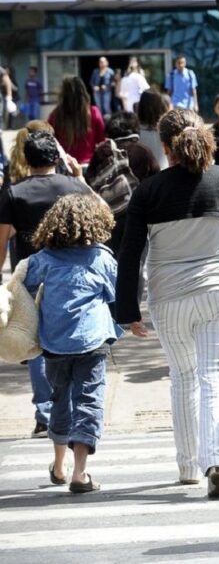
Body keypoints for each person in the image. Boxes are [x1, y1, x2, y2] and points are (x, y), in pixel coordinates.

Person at [116, 109, 219, 497]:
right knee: (215, 375)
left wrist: (127, 309)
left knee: (184, 377)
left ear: (164, 146)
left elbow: (130, 253)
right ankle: (218, 461)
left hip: (169, 299)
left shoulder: (149, 191)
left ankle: (189, 466)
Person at [27, 193, 120, 493]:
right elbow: (113, 294)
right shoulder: (102, 257)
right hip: (92, 341)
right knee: (89, 401)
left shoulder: (42, 259)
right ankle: (81, 472)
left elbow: (24, 290)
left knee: (59, 398)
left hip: (53, 343)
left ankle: (58, 465)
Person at [0, 132, 91, 440]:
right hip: (70, 271)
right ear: (56, 159)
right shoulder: (73, 187)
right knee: (69, 338)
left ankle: (45, 412)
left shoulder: (13, 192)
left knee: (33, 341)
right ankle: (73, 410)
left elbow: (1, 242)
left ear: (26, 160)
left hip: (30, 274)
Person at [85, 111, 161, 254]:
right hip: (138, 218)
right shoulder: (142, 151)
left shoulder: (101, 152)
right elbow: (156, 183)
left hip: (108, 218)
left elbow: (90, 182)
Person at [48, 76, 105, 165]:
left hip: (65, 167)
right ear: (83, 92)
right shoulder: (94, 112)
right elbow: (102, 141)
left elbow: (50, 142)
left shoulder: (55, 116)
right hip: (89, 166)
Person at [137, 90, 171, 168]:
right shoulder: (168, 130)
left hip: (145, 177)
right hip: (166, 173)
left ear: (141, 107)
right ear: (161, 106)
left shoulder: (135, 132)